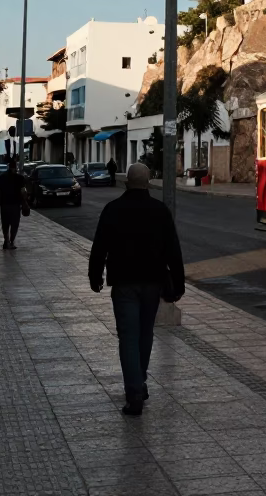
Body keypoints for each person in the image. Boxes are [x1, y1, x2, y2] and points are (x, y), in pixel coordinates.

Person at [88, 163, 185, 417]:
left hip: (124, 283)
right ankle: (139, 380)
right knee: (145, 333)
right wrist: (178, 281)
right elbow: (173, 249)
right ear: (149, 183)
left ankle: (134, 392)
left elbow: (100, 246)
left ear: (127, 182)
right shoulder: (160, 211)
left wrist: (94, 275)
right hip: (152, 282)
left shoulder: (113, 210)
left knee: (128, 336)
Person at [0, 160, 30, 250]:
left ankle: (6, 241)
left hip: (4, 204)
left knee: (5, 224)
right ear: (16, 167)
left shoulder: (2, 177)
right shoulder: (19, 178)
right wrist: (25, 202)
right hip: (15, 204)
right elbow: (23, 191)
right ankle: (11, 242)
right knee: (14, 224)